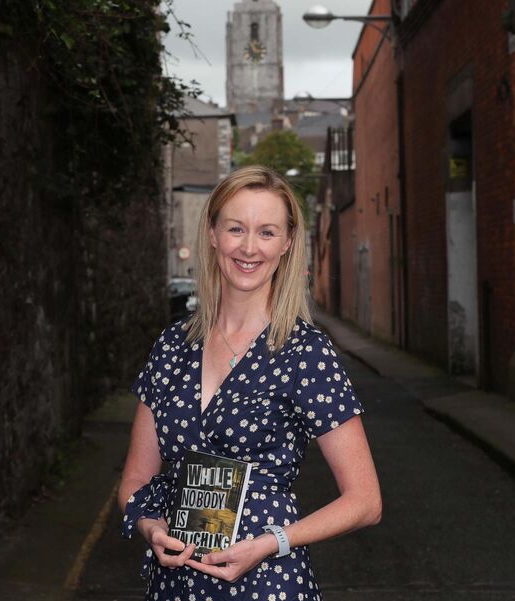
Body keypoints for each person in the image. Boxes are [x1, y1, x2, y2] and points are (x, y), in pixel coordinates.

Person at [118, 165, 381, 600]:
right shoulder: (171, 346)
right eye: (236, 228)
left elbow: (366, 501)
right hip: (176, 583)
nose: (249, 247)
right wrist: (150, 526)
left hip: (266, 583)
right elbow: (134, 480)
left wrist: (270, 543)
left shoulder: (305, 352)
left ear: (287, 243)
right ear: (212, 234)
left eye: (267, 232)